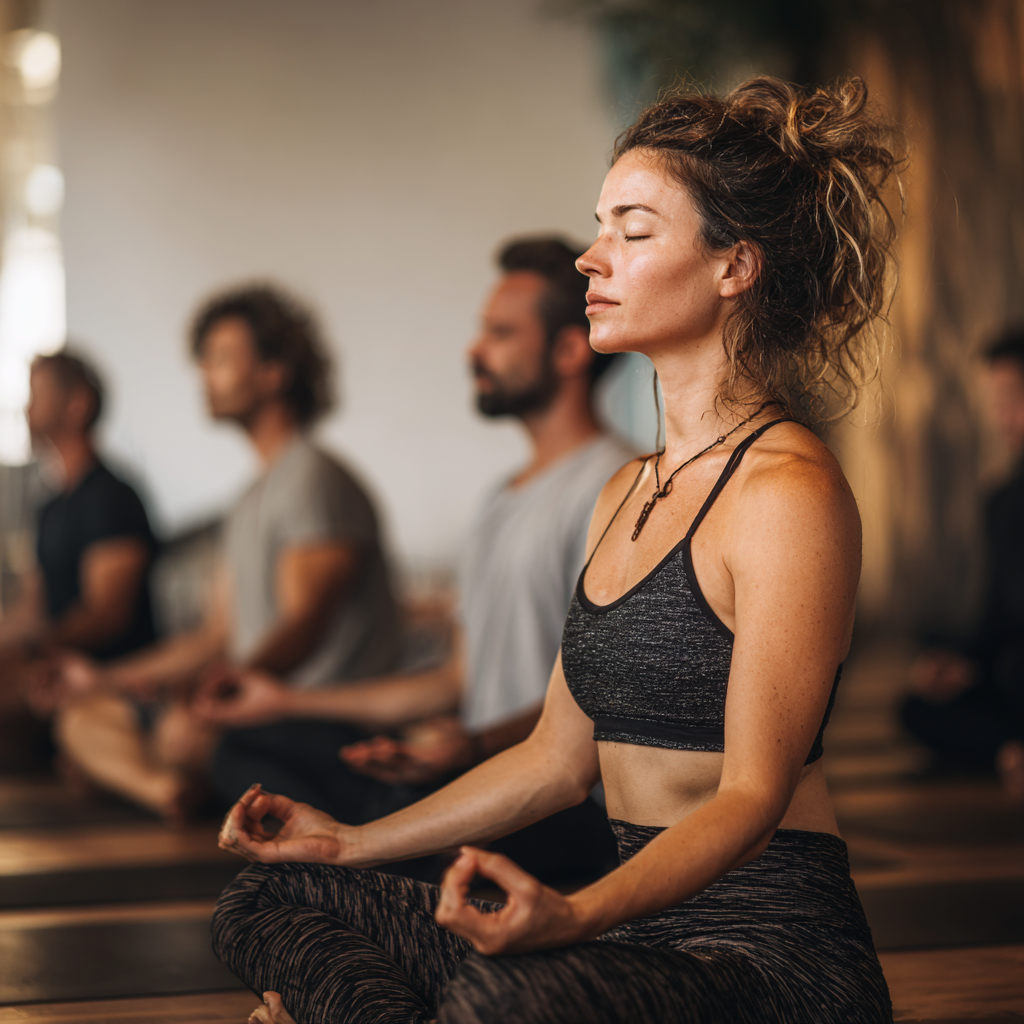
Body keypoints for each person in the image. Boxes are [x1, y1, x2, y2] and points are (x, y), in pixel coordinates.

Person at [212, 77, 897, 1024]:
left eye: (633, 230)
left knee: (504, 999)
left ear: (734, 265)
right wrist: (348, 844)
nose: (591, 257)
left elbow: (750, 797)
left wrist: (569, 917)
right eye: (598, 227)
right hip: (627, 945)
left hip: (769, 956)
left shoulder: (788, 495)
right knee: (270, 897)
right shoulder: (624, 493)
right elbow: (553, 761)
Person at [196, 238, 633, 881]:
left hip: (558, 808)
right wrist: (283, 700)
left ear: (569, 350)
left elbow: (607, 706)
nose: (473, 349)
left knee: (331, 853)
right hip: (472, 771)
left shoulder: (615, 486)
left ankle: (371, 871)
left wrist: (474, 745)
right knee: (251, 750)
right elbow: (451, 681)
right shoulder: (498, 502)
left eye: (500, 332)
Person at [51, 286, 401, 819]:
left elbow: (305, 622)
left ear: (273, 372)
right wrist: (106, 679)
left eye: (220, 358)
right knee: (85, 713)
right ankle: (166, 787)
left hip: (322, 722)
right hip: (256, 710)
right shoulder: (249, 499)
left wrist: (217, 696)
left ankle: (161, 773)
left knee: (165, 736)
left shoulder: (313, 477)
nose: (204, 375)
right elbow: (214, 635)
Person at [0, 352, 156, 767]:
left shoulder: (113, 498)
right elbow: (33, 608)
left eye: (38, 395)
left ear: (77, 404)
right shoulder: (49, 508)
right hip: (52, 659)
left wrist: (32, 653)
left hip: (106, 671)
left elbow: (108, 615)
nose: (28, 409)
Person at [902, 328, 1024, 797]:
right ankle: (1007, 748)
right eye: (996, 403)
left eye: (1014, 400)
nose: (1003, 420)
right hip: (1011, 671)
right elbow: (997, 612)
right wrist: (964, 662)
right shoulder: (1003, 502)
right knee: (918, 705)